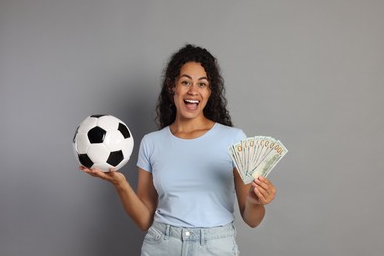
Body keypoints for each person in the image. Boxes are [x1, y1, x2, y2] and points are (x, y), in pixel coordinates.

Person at [80, 44, 276, 255]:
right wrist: (121, 185)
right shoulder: (151, 143)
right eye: (185, 82)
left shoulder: (234, 139)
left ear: (210, 91)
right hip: (162, 245)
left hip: (215, 247)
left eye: (202, 84)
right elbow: (145, 220)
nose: (193, 91)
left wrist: (255, 202)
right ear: (172, 86)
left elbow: (252, 220)